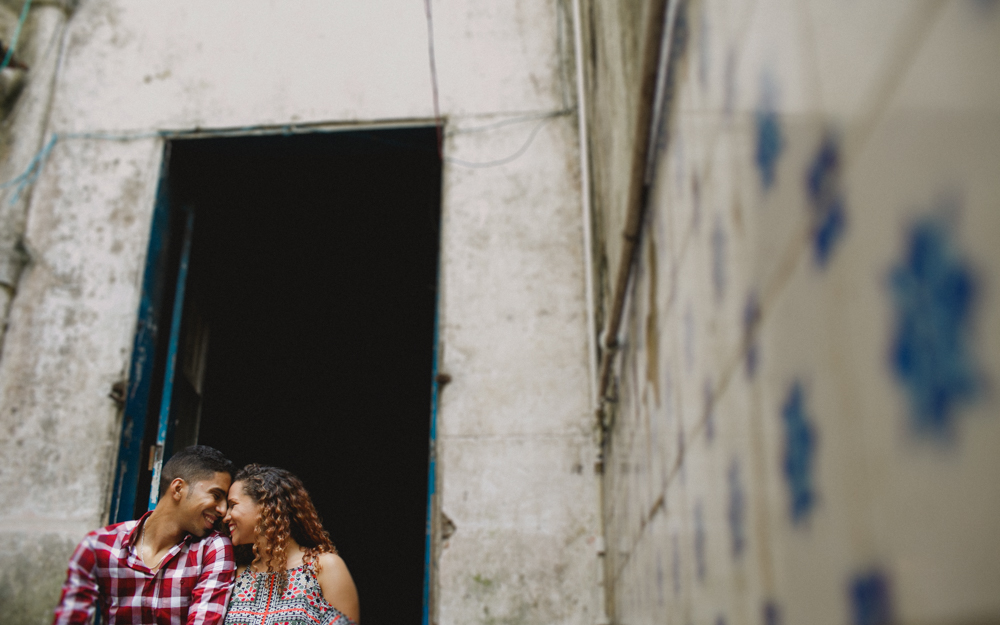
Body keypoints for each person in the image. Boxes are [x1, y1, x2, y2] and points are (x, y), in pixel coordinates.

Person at [53, 445, 236, 625]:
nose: (222, 511)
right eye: (216, 495)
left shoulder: (213, 548)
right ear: (178, 488)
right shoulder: (99, 545)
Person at [222, 464, 360, 625]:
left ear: (265, 506)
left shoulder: (323, 568)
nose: (226, 517)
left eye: (233, 505)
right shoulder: (237, 573)